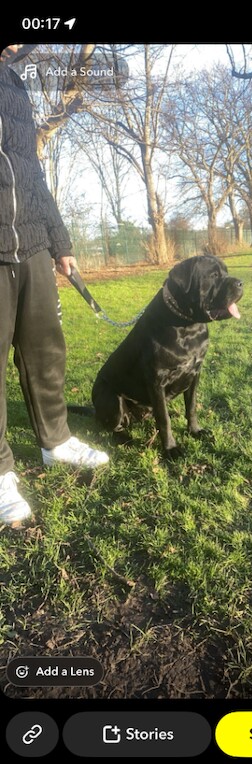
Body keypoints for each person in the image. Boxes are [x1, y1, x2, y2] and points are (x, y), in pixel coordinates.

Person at [0, 44, 109, 526]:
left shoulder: (15, 82)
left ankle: (56, 441)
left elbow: (33, 174)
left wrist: (60, 241)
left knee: (47, 350)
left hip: (34, 244)